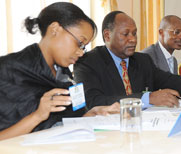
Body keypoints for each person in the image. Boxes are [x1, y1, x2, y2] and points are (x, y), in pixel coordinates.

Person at [0, 2, 119, 141]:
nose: (81, 53)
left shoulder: (63, 74)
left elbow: (60, 124)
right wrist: (38, 115)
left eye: (84, 47)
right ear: (55, 29)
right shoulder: (8, 71)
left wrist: (92, 114)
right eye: (79, 43)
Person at [74, 11, 181, 110]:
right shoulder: (87, 62)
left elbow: (171, 80)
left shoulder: (142, 60)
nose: (133, 40)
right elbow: (93, 101)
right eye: (126, 34)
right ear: (107, 36)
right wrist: (148, 98)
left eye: (135, 33)